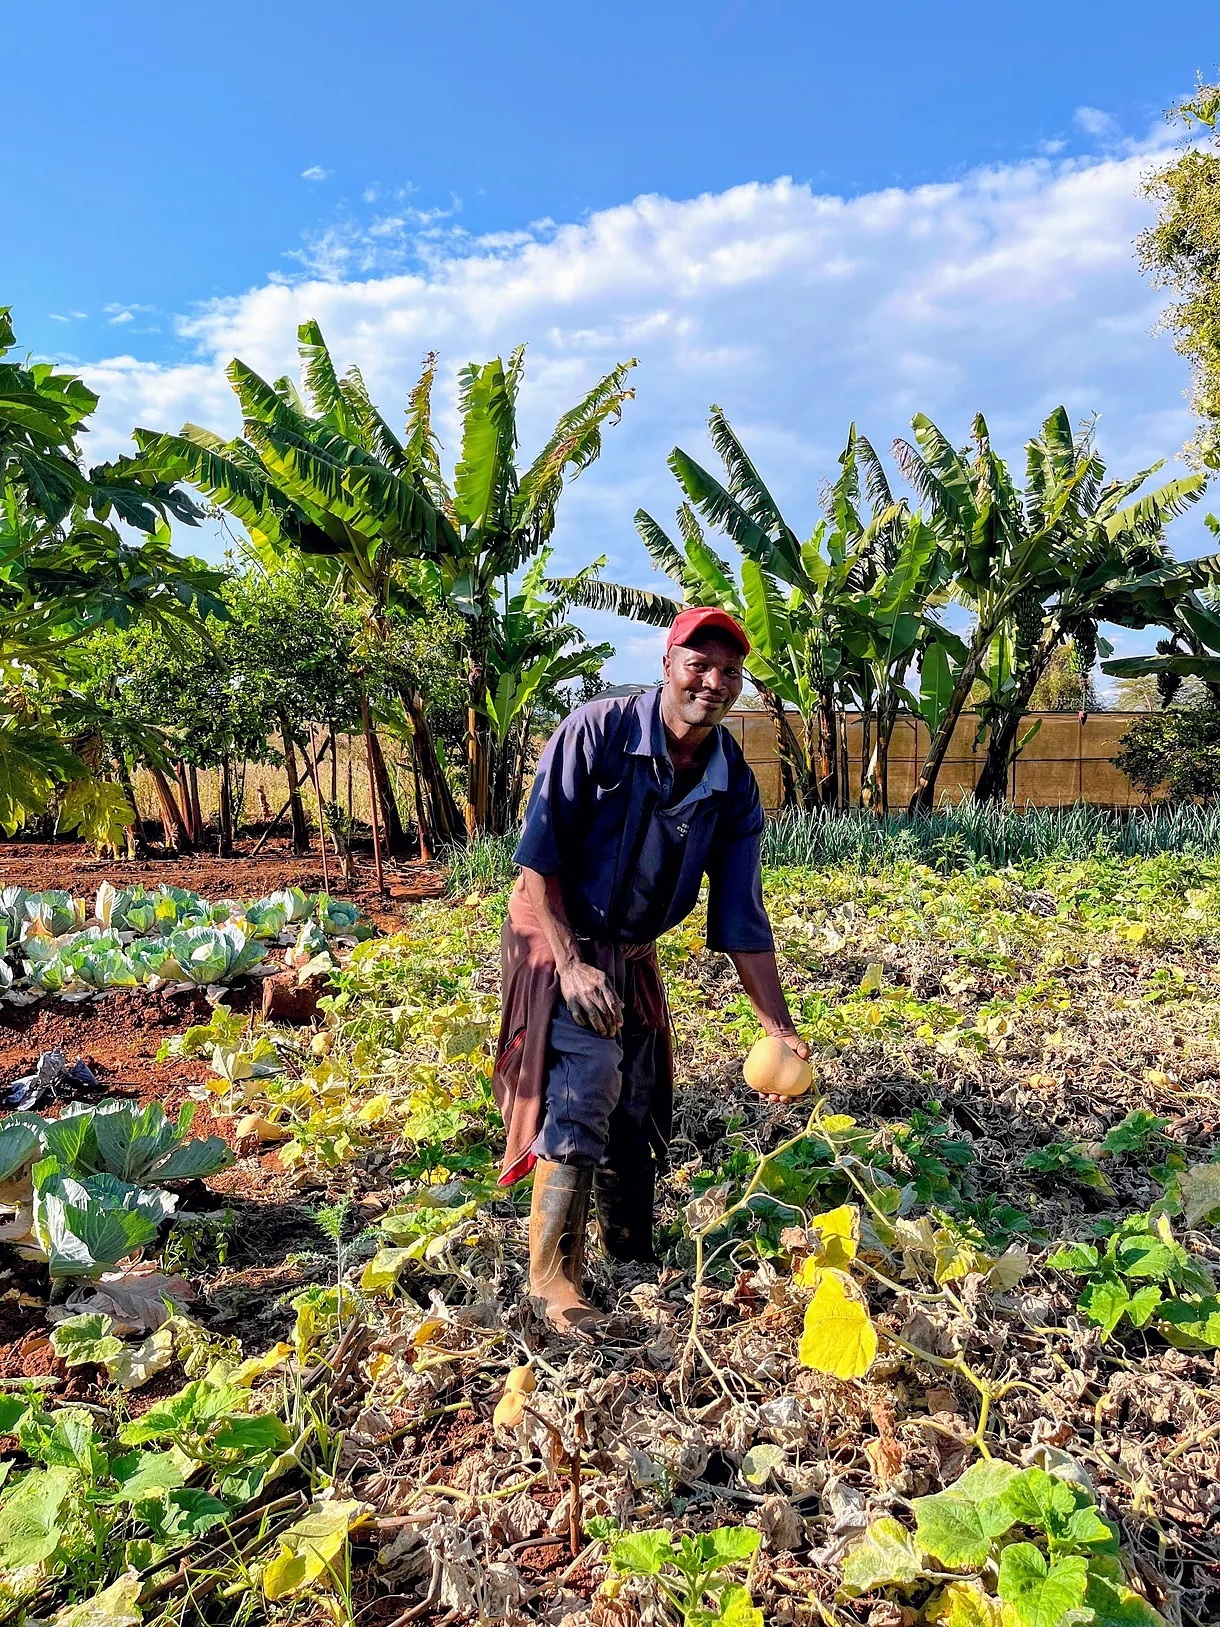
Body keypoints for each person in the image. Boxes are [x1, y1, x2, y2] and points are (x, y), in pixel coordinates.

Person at [491, 606, 808, 1335]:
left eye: (729, 671)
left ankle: (629, 1253)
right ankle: (553, 1282)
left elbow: (741, 913)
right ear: (668, 664)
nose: (714, 681)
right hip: (552, 927)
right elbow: (539, 860)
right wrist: (570, 965)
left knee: (637, 1091)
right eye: (699, 663)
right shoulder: (595, 732)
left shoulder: (731, 782)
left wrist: (779, 1027)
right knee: (589, 1073)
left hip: (630, 945)